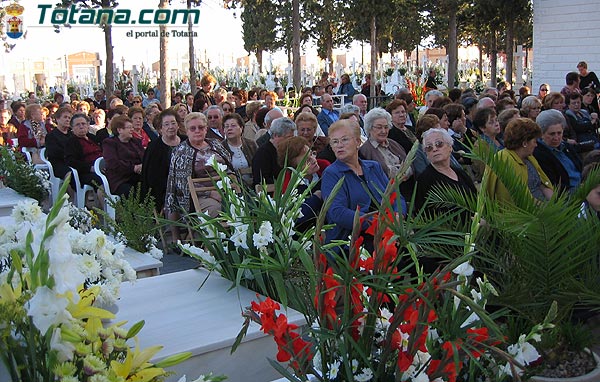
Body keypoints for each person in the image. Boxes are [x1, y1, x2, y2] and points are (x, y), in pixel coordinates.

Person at [321, 119, 406, 253]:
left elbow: (396, 196)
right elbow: (337, 212)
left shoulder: (373, 167)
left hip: (389, 231)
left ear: (358, 142)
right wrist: (377, 224)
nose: (339, 145)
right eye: (335, 142)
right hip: (353, 240)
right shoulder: (332, 173)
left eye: (344, 140)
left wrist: (397, 216)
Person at [165, 112, 232, 226]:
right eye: (193, 128)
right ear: (186, 131)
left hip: (226, 190)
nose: (197, 131)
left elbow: (229, 166)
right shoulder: (181, 152)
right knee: (220, 210)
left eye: (201, 127)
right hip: (197, 196)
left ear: (206, 129)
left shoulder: (215, 144)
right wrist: (210, 193)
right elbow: (183, 183)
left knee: (247, 205)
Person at [483, 118, 554, 204]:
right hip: (527, 212)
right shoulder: (505, 161)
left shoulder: (529, 157)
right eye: (534, 141)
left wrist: (555, 205)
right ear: (524, 143)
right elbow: (518, 199)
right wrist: (548, 212)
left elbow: (542, 184)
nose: (536, 145)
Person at [414, 128, 476, 217]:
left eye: (439, 144)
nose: (434, 149)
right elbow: (426, 216)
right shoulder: (424, 180)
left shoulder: (459, 173)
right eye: (429, 147)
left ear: (450, 147)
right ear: (426, 155)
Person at [278, 136, 325, 231]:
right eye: (307, 161)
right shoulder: (291, 186)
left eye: (312, 154)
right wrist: (316, 197)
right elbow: (299, 216)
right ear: (295, 167)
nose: (313, 160)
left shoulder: (324, 169)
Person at [142, 109, 183, 212]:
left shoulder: (186, 141)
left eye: (173, 123)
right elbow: (152, 178)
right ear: (160, 129)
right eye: (166, 124)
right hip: (164, 190)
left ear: (178, 125)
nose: (171, 127)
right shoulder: (154, 148)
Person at [533, 109, 582, 194]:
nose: (556, 138)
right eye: (552, 134)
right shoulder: (538, 153)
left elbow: (580, 167)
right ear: (541, 133)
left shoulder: (566, 147)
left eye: (559, 133)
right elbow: (554, 185)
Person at [358, 108, 410, 181]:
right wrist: (401, 170)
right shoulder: (365, 151)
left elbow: (409, 165)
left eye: (386, 127)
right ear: (369, 128)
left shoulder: (394, 144)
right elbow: (381, 173)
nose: (383, 131)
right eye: (379, 127)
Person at [102, 115, 145, 197]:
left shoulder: (135, 141)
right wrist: (134, 168)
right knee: (131, 193)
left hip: (138, 177)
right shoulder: (109, 143)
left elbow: (144, 157)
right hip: (120, 179)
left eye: (132, 127)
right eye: (129, 127)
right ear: (119, 130)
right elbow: (113, 163)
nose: (132, 130)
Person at [252, 117, 296, 185]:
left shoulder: (288, 151)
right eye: (288, 138)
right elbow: (261, 180)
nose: (291, 141)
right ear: (276, 135)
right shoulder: (263, 154)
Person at [64, 113, 103, 190]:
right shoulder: (71, 142)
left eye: (83, 124)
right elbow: (71, 162)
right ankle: (105, 201)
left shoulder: (93, 138)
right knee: (102, 182)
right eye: (77, 125)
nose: (81, 126)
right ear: (72, 128)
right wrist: (91, 168)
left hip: (102, 168)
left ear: (88, 125)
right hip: (86, 172)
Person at [222, 112, 257, 187]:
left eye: (233, 126)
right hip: (232, 188)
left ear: (241, 128)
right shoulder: (220, 147)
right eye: (226, 126)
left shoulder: (251, 144)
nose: (229, 128)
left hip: (253, 186)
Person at [45, 107, 73, 179]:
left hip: (72, 162)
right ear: (57, 119)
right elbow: (54, 153)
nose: (67, 119)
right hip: (58, 164)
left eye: (69, 118)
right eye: (65, 117)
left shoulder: (72, 134)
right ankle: (70, 190)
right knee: (70, 174)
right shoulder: (51, 135)